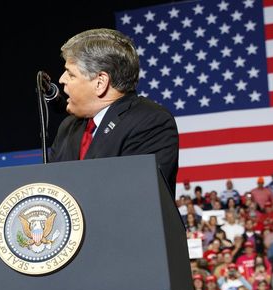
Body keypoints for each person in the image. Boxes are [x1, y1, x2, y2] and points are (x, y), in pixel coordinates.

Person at [49, 28, 179, 194]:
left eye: (70, 74)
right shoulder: (67, 127)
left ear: (100, 82)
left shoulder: (151, 122)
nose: (61, 80)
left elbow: (136, 197)